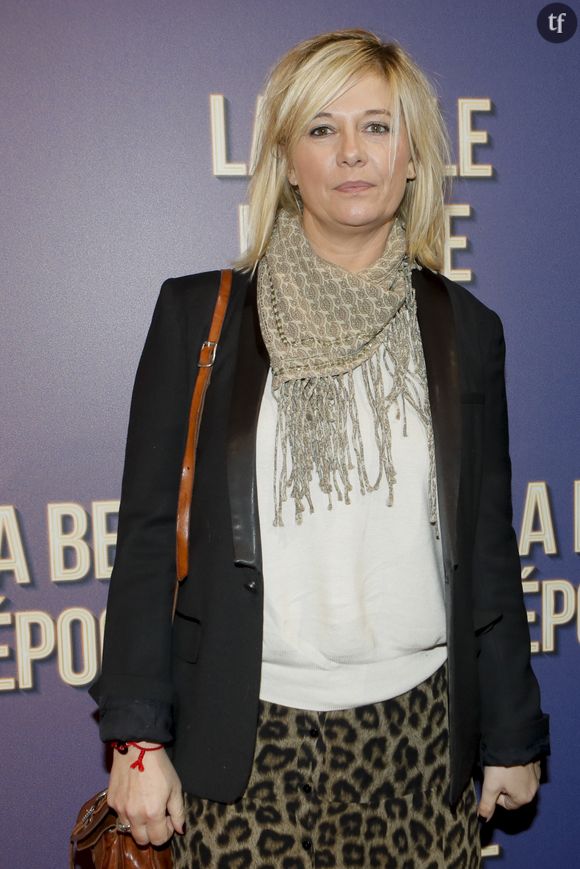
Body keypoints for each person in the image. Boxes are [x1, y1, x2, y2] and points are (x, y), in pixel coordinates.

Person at [90, 29, 549, 868]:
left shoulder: (465, 331)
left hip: (423, 740)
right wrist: (136, 740)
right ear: (286, 159)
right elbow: (151, 541)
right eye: (322, 128)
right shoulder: (203, 317)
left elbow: (487, 546)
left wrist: (513, 731)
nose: (351, 153)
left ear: (412, 157)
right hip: (245, 741)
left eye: (377, 127)